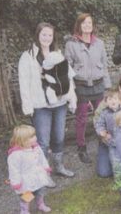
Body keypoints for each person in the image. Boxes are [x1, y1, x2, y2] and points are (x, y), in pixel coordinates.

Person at [18, 22, 77, 183]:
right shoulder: (27, 56)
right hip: (40, 106)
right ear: (38, 35)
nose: (47, 38)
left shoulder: (57, 53)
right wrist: (27, 106)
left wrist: (71, 98)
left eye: (50, 35)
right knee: (43, 141)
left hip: (59, 104)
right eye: (44, 34)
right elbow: (23, 82)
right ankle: (43, 174)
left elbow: (67, 77)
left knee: (59, 137)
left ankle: (58, 167)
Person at [65, 13, 112, 164]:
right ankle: (81, 147)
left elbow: (104, 65)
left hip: (98, 84)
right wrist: (70, 89)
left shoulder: (99, 43)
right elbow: (67, 67)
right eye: (84, 23)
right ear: (79, 25)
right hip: (81, 85)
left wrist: (108, 85)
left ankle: (103, 142)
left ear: (93, 25)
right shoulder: (71, 44)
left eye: (89, 23)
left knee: (101, 115)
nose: (87, 26)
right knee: (82, 118)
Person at [7, 125, 53, 214]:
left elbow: (42, 158)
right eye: (31, 137)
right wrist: (16, 182)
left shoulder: (36, 147)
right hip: (25, 180)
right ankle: (24, 210)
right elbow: (14, 170)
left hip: (38, 175)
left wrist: (46, 167)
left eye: (34, 135)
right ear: (22, 140)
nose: (35, 137)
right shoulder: (16, 155)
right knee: (27, 196)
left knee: (40, 191)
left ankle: (40, 204)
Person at [94, 90, 121, 178]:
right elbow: (99, 124)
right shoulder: (104, 113)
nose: (113, 101)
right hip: (109, 141)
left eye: (115, 99)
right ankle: (116, 175)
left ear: (119, 100)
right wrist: (102, 132)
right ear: (106, 102)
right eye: (110, 99)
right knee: (113, 158)